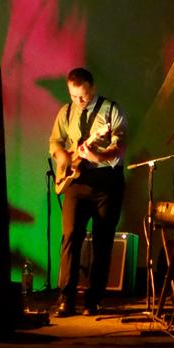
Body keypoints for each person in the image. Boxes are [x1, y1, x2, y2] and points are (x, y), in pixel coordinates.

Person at [49, 67, 127, 316]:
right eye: (73, 96)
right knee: (70, 235)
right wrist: (62, 157)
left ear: (93, 88)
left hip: (106, 181)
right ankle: (66, 297)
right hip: (76, 181)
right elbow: (55, 140)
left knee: (103, 240)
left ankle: (93, 299)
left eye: (82, 96)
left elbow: (119, 147)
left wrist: (97, 156)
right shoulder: (66, 111)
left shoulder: (112, 110)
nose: (78, 101)